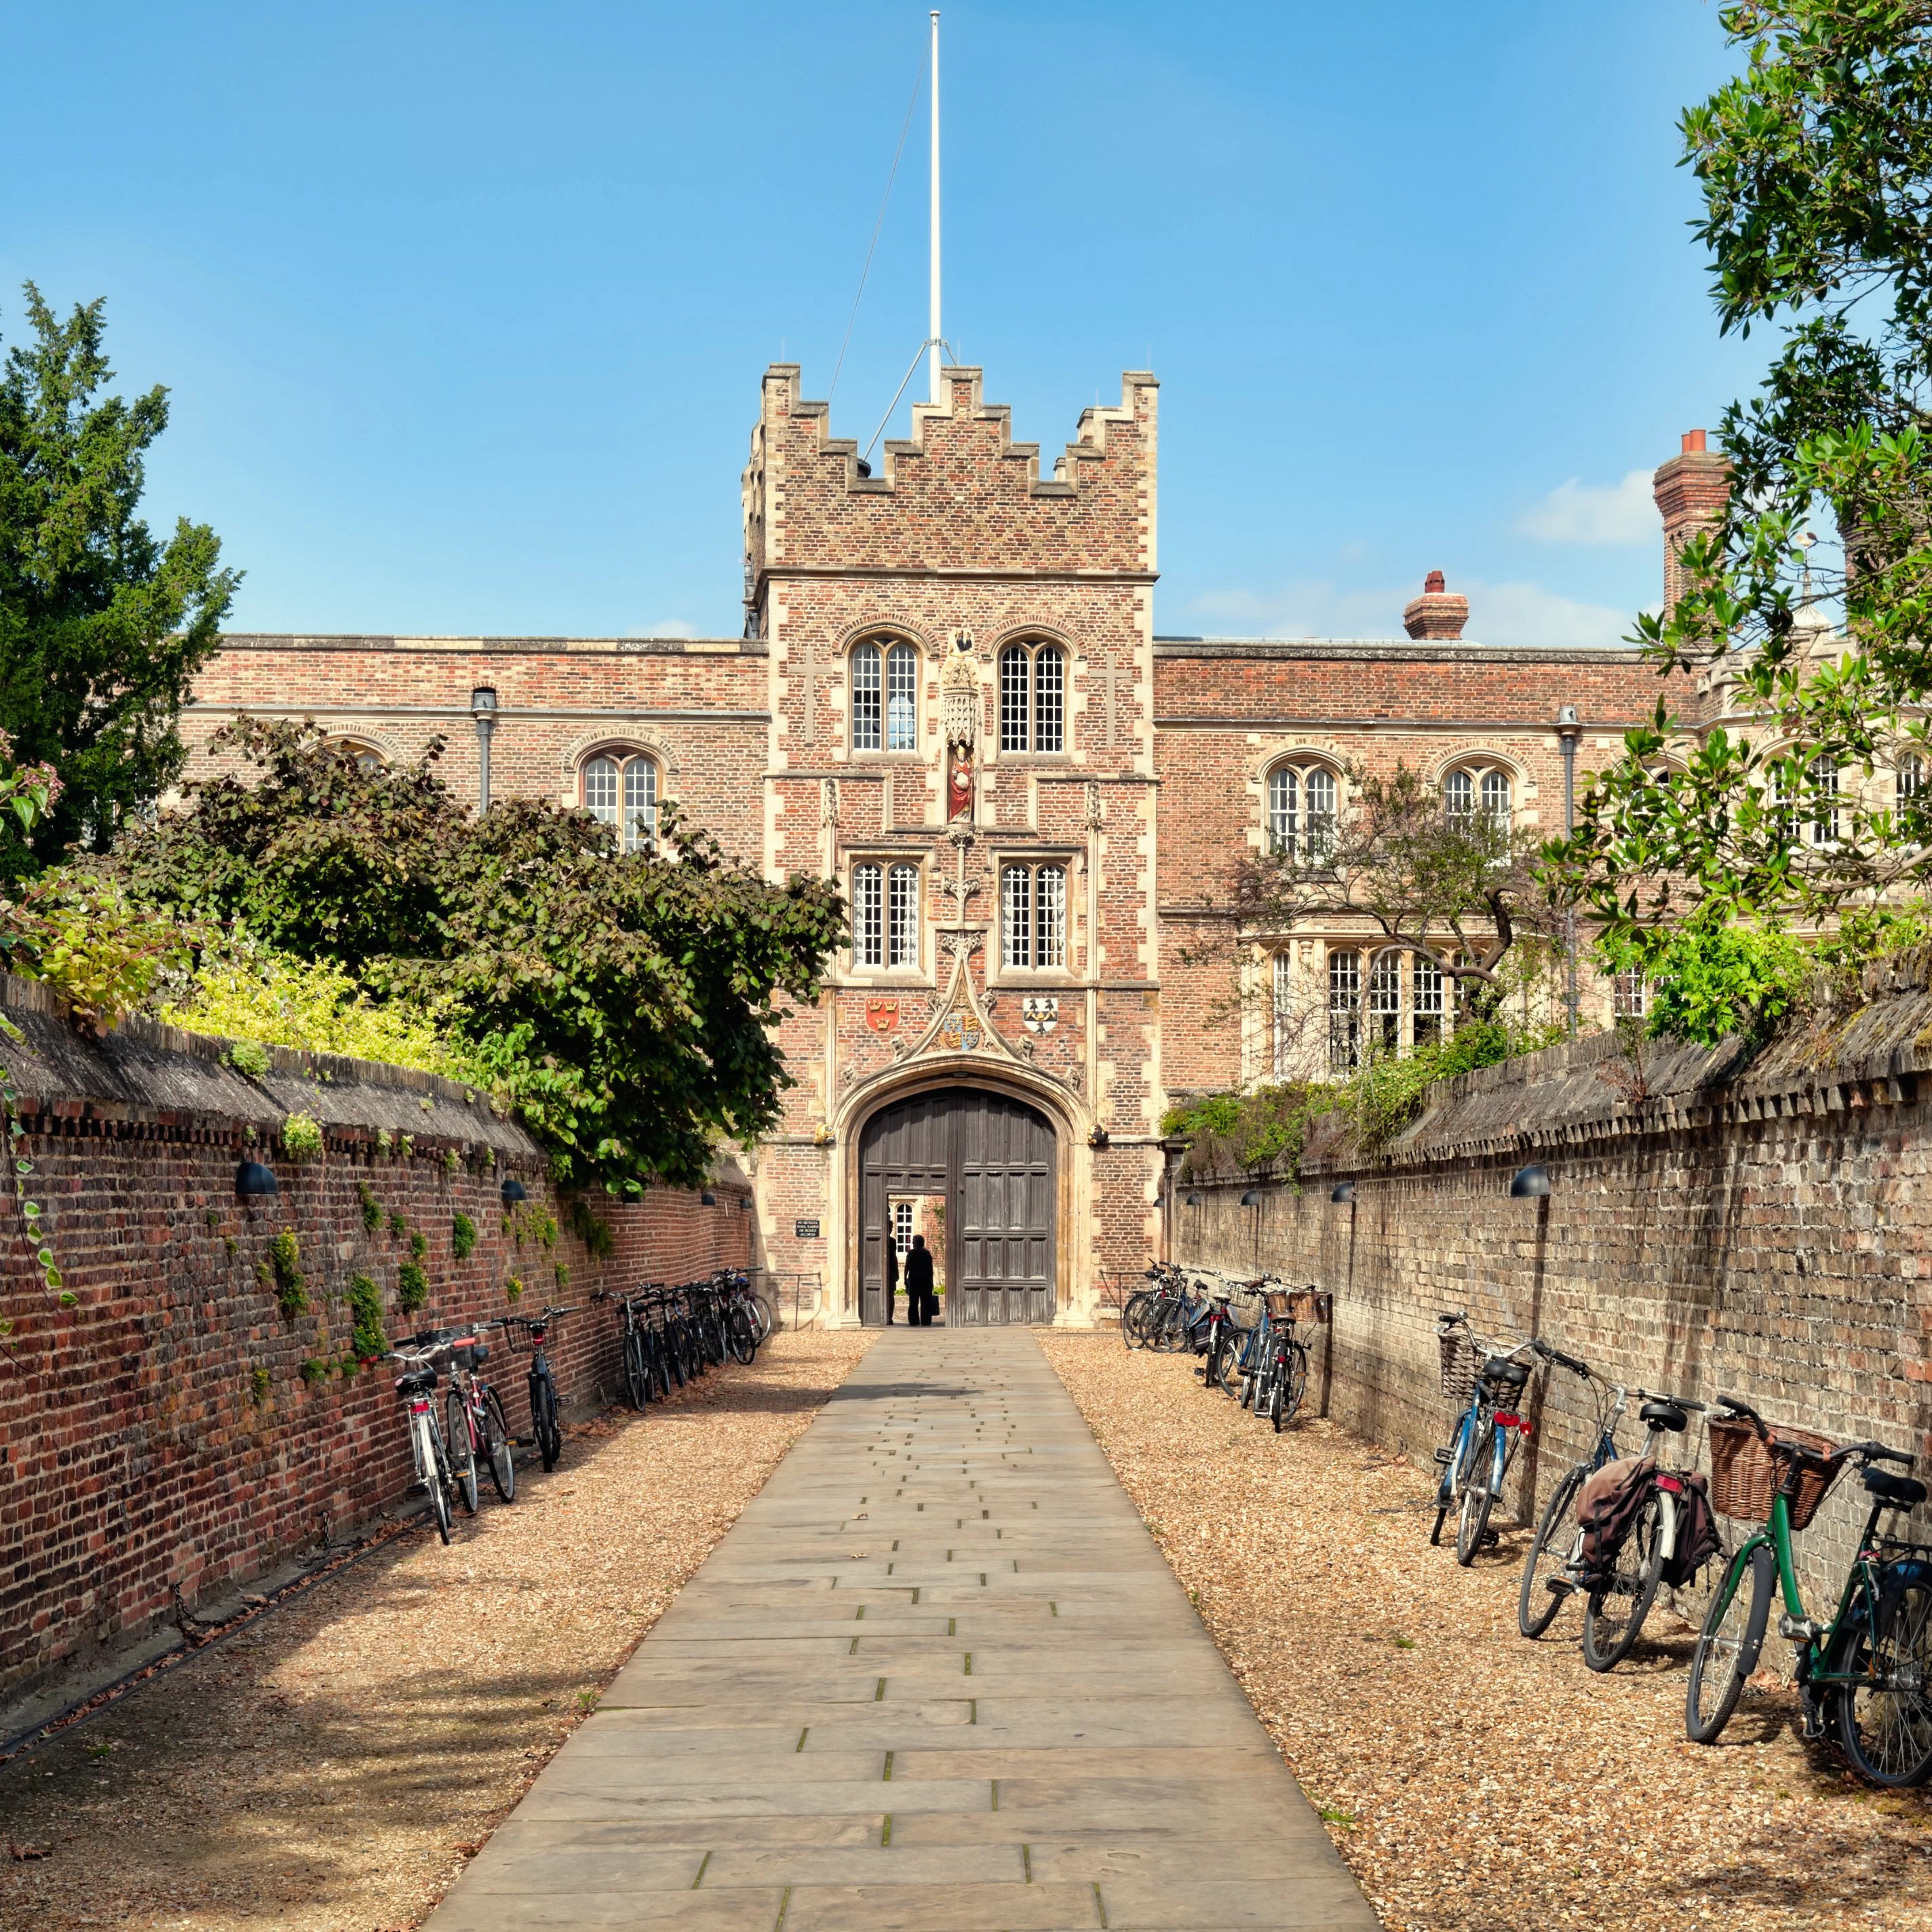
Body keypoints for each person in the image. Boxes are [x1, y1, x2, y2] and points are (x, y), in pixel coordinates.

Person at [904, 1234, 935, 1328]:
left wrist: (905, 1278)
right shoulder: (927, 1253)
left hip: (914, 1280)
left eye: (913, 1241)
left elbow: (907, 1266)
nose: (912, 1243)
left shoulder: (911, 1253)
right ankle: (926, 1321)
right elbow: (930, 1269)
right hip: (925, 1280)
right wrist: (931, 1281)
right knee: (925, 1302)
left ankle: (914, 1321)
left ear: (916, 1243)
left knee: (913, 1302)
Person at [884, 1231, 900, 1324]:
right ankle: (889, 1318)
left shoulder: (892, 1241)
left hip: (882, 1270)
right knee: (890, 1295)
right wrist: (897, 1271)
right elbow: (894, 1257)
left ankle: (885, 1317)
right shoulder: (892, 1241)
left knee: (889, 1294)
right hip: (891, 1270)